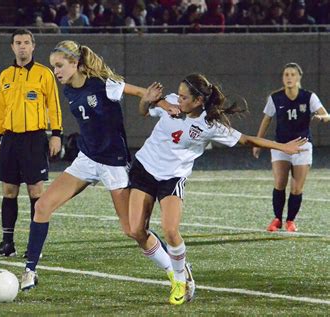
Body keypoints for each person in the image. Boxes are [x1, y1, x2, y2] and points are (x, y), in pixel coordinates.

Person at [128, 74, 307, 305]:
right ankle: (173, 269)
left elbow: (245, 140)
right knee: (135, 230)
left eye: (184, 97)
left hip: (172, 177)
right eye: (178, 95)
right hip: (144, 169)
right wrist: (147, 100)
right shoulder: (169, 103)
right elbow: (143, 110)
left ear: (199, 100)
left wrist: (281, 146)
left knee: (170, 230)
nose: (178, 100)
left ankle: (181, 278)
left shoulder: (209, 125)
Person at [19, 40, 178, 291]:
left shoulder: (103, 85)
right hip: (87, 159)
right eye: (53, 67)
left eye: (59, 66)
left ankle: (176, 270)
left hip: (113, 164)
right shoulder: (69, 88)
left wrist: (164, 105)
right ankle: (30, 271)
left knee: (133, 230)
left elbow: (141, 94)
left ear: (76, 63)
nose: (56, 72)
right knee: (42, 206)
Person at [0, 29, 63, 259]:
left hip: (34, 138)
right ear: (12, 47)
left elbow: (54, 105)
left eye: (26, 42)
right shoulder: (5, 75)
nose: (22, 46)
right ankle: (8, 243)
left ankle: (34, 245)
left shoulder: (44, 74)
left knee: (35, 191)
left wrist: (56, 134)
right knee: (9, 191)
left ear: (33, 46)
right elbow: (1, 109)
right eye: (18, 43)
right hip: (10, 138)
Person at [253, 63, 329, 232]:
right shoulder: (275, 98)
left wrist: (322, 117)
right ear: (283, 78)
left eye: (292, 74)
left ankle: (291, 221)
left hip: (302, 145)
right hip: (281, 145)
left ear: (299, 77)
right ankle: (277, 219)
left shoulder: (309, 97)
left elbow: (326, 114)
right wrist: (258, 142)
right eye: (286, 74)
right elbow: (266, 119)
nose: (289, 77)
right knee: (280, 182)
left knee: (296, 187)